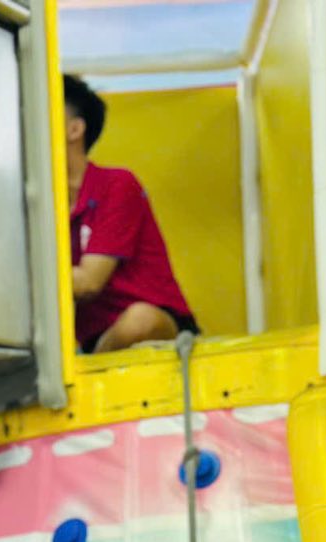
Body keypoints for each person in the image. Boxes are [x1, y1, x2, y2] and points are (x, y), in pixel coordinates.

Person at [64, 74, 196, 355]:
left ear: (74, 129)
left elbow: (89, 282)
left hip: (157, 330)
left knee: (140, 320)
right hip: (94, 342)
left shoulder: (116, 184)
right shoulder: (39, 205)